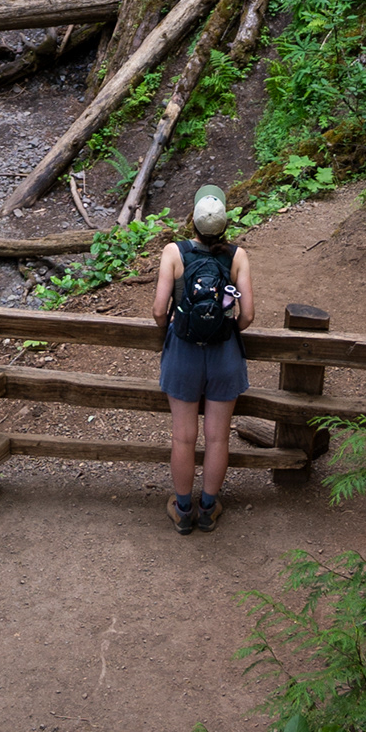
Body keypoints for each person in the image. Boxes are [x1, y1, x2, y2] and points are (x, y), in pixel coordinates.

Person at [151, 183, 253, 533]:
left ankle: (182, 510)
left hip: (183, 352)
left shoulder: (173, 252)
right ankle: (208, 509)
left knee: (183, 437)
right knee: (217, 438)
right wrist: (225, 329)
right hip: (225, 354)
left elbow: (158, 311)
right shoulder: (237, 256)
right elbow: (249, 315)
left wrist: (174, 328)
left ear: (191, 220)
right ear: (225, 223)